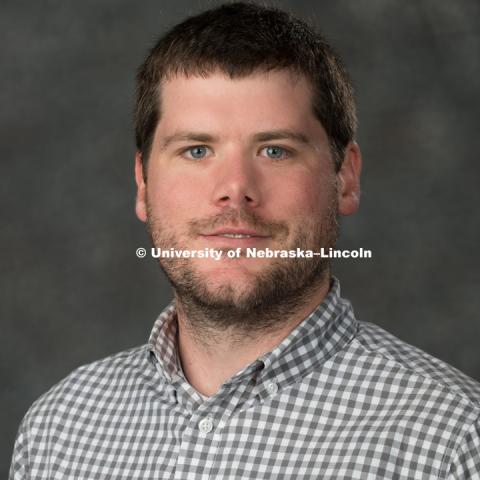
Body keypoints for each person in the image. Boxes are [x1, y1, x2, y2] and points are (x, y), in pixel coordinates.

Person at [10, 2, 480, 478]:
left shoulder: (453, 441)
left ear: (346, 178)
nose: (235, 188)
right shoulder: (58, 431)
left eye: (275, 150)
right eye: (197, 150)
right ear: (143, 184)